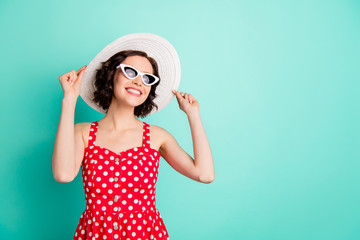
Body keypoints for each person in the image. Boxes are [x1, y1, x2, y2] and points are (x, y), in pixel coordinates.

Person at [52, 33, 214, 240]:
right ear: (111, 77)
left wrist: (193, 115)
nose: (139, 82)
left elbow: (205, 174)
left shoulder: (157, 137)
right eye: (130, 72)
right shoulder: (82, 133)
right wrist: (69, 99)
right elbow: (63, 175)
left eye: (147, 78)